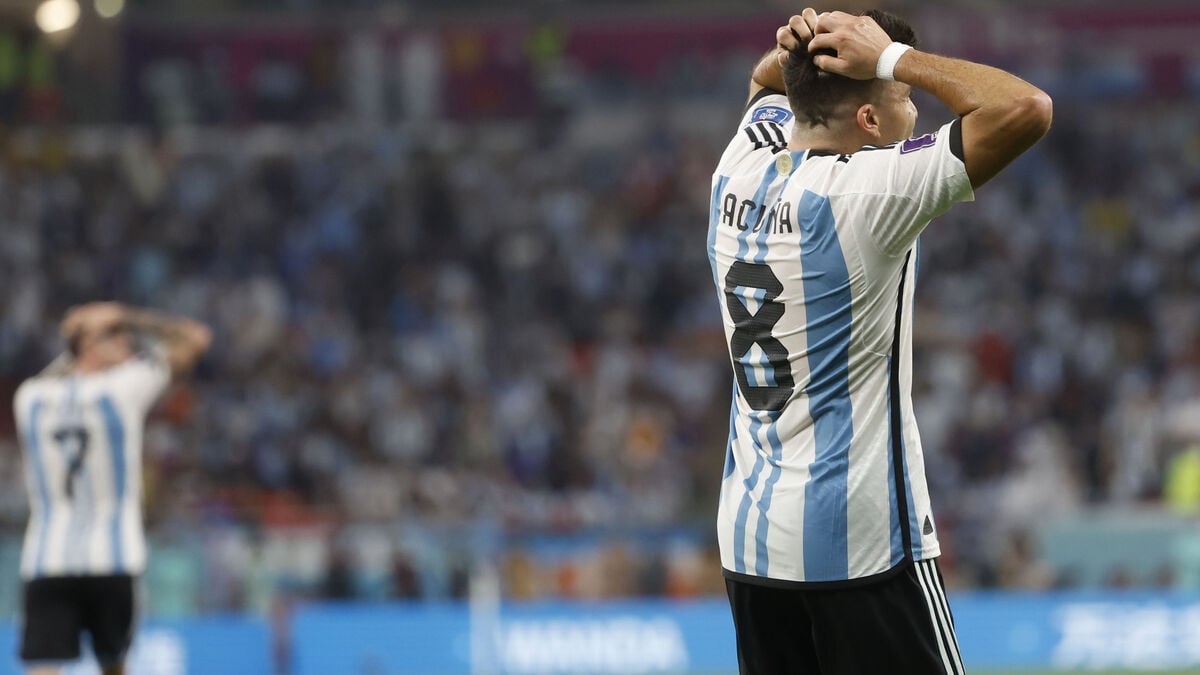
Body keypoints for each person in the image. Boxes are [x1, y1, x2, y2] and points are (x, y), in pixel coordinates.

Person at [708, 8, 1051, 673]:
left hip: (752, 544)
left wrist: (803, 47)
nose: (915, 114)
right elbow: (1026, 108)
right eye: (905, 99)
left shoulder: (738, 164)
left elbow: (765, 83)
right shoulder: (869, 190)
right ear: (868, 120)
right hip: (861, 546)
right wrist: (893, 58)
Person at [13, 302, 211, 675]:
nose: (126, 342)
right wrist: (130, 315)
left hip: (47, 556)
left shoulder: (30, 398)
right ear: (92, 346)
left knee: (42, 665)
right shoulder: (124, 389)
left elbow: (63, 367)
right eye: (115, 335)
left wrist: (80, 333)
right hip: (114, 555)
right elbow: (196, 338)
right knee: (114, 664)